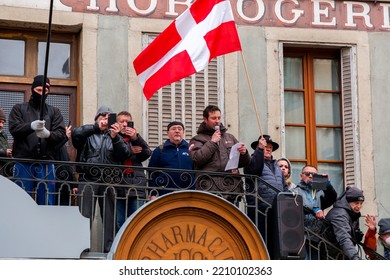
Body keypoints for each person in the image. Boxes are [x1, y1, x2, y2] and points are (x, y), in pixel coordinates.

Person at [72, 106, 131, 253]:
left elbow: (125, 154)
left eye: (109, 116)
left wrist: (116, 137)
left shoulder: (116, 136)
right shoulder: (88, 134)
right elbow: (75, 134)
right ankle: (82, 248)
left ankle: (109, 250)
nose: (105, 118)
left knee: (110, 218)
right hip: (88, 179)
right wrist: (96, 127)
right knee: (84, 217)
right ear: (97, 117)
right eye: (102, 116)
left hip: (109, 181)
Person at [8, 75, 67, 205]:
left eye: (45, 91)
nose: (41, 94)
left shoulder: (54, 112)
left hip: (46, 163)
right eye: (39, 90)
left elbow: (61, 134)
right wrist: (30, 126)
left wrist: (48, 134)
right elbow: (14, 128)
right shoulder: (19, 108)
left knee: (47, 202)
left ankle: (45, 225)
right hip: (23, 161)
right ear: (33, 89)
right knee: (21, 201)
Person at [189, 105, 250, 204]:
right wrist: (212, 142)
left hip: (231, 189)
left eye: (219, 118)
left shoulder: (230, 137)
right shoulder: (197, 139)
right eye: (213, 118)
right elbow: (197, 158)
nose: (217, 121)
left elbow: (244, 163)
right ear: (205, 119)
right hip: (209, 189)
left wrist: (244, 153)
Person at [244, 134, 286, 256]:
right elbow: (254, 171)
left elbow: (283, 185)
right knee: (261, 244)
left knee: (275, 245)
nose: (267, 149)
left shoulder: (277, 166)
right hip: (260, 209)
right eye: (265, 146)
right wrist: (259, 151)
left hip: (276, 209)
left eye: (270, 147)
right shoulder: (252, 160)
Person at [116, 111, 151, 232]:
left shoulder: (136, 138)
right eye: (122, 122)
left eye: (128, 122)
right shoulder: (112, 138)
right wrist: (130, 150)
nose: (125, 125)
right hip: (118, 186)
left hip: (137, 186)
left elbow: (147, 153)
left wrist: (136, 138)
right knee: (118, 222)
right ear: (117, 123)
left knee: (136, 223)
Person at [294, 165, 337, 259]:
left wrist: (328, 184)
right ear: (301, 176)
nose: (310, 176)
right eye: (307, 173)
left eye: (313, 174)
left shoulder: (320, 192)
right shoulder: (295, 191)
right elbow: (295, 208)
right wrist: (315, 209)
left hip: (316, 237)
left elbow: (332, 198)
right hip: (301, 236)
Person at [148, 121, 193, 197]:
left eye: (180, 129)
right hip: (164, 193)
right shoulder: (159, 150)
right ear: (167, 133)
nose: (177, 131)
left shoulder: (190, 149)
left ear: (183, 132)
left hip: (188, 193)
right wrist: (153, 194)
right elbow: (152, 173)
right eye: (173, 129)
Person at [325, 186, 366, 260]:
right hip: (332, 256)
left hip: (340, 255)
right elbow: (344, 238)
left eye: (361, 203)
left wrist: (372, 230)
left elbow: (353, 238)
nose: (359, 206)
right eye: (356, 203)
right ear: (348, 201)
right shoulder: (340, 214)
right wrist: (355, 258)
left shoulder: (352, 214)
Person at [0, 108, 12, 176]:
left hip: (4, 172)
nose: (1, 125)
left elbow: (7, 148)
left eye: (3, 122)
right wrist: (4, 152)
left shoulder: (3, 134)